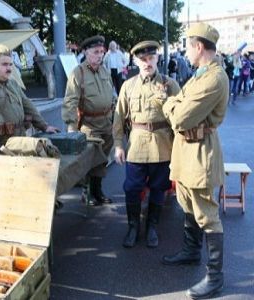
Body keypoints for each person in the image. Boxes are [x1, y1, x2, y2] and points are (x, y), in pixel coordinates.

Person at [161, 23, 229, 299]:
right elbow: (181, 102)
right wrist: (175, 103)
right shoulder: (201, 74)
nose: (187, 51)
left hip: (201, 151)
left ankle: (215, 277)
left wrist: (168, 104)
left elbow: (179, 117)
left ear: (198, 47)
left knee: (207, 213)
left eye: (189, 46)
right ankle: (191, 251)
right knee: (187, 202)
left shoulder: (214, 78)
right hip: (186, 150)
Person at [113, 40, 180, 248]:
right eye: (143, 59)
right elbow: (118, 117)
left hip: (163, 146)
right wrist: (118, 145)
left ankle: (152, 226)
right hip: (137, 146)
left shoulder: (171, 84)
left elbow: (180, 118)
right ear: (135, 61)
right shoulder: (128, 86)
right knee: (132, 188)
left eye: (151, 58)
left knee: (159, 188)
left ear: (157, 58)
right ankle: (133, 226)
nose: (147, 63)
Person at [62, 35, 115, 206]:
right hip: (89, 125)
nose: (99, 55)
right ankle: (88, 193)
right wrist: (71, 127)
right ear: (85, 52)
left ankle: (97, 191)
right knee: (90, 160)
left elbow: (112, 96)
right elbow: (70, 101)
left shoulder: (105, 71)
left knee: (103, 159)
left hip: (107, 123)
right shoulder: (78, 73)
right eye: (95, 52)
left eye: (101, 52)